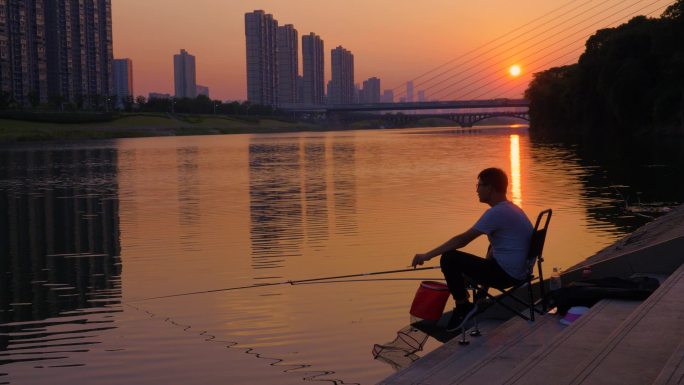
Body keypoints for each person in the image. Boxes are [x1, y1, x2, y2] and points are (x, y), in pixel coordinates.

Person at [411, 168, 533, 332]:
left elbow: (462, 240)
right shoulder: (513, 209)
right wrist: (482, 283)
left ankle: (463, 307)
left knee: (449, 258)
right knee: (492, 246)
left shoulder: (496, 213)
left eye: (480, 185)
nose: (477, 189)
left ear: (490, 188)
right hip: (521, 272)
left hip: (507, 275)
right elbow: (496, 249)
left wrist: (427, 255)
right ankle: (480, 295)